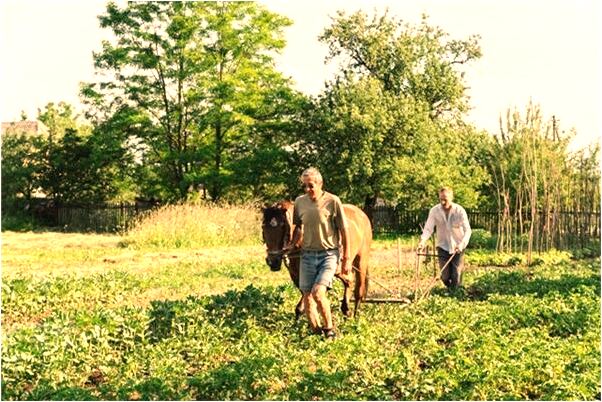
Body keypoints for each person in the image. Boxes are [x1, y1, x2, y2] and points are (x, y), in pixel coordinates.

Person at [288, 167, 351, 338]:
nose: (307, 190)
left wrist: (346, 259)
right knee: (307, 298)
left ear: (320, 184)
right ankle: (316, 332)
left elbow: (344, 231)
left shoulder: (332, 201)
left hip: (328, 254)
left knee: (318, 292)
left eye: (311, 186)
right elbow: (299, 228)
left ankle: (330, 329)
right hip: (307, 254)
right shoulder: (299, 202)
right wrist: (292, 244)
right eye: (305, 186)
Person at [417, 187, 472, 290]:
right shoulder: (434, 211)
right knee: (444, 276)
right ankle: (450, 289)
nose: (442, 201)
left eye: (445, 199)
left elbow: (468, 230)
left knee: (457, 275)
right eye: (441, 199)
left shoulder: (459, 211)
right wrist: (423, 241)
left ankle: (455, 295)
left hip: (458, 247)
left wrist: (461, 244)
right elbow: (428, 228)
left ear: (451, 197)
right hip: (442, 246)